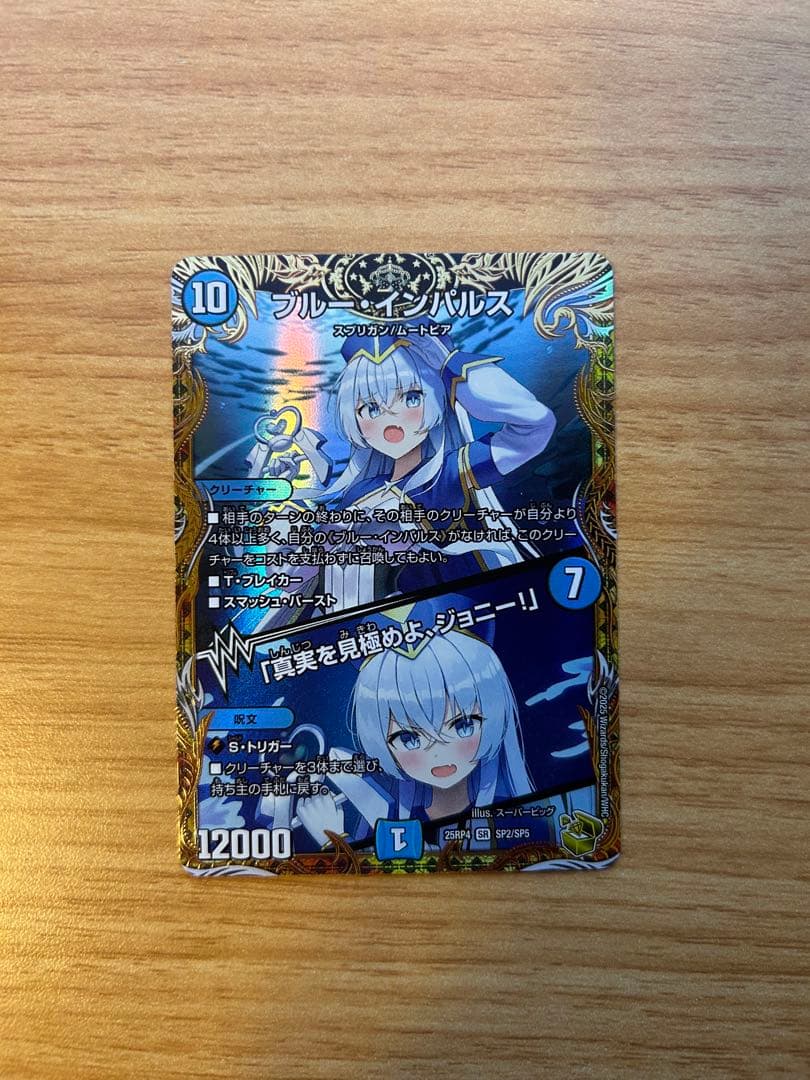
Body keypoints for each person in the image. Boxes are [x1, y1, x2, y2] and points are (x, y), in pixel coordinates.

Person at [295, 630, 537, 849]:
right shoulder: (393, 811)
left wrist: (333, 840)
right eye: (409, 738)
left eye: (463, 726)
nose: (439, 752)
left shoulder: (515, 817)